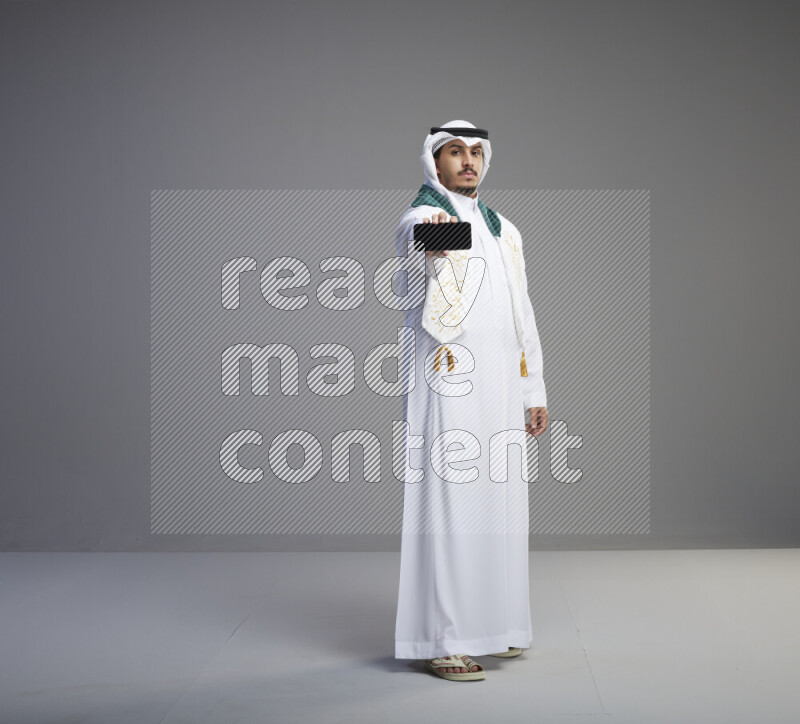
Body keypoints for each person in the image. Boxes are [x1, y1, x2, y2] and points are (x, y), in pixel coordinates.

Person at [393, 120, 549, 682]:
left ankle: (497, 626)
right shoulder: (422, 215)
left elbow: (521, 311)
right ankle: (445, 640)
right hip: (450, 379)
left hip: (502, 383)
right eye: (455, 152)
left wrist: (533, 389)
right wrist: (431, 237)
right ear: (434, 161)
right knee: (452, 505)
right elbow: (419, 248)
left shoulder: (506, 229)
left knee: (501, 504)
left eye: (476, 153)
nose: (467, 162)